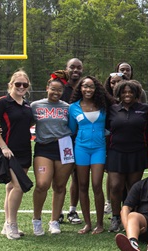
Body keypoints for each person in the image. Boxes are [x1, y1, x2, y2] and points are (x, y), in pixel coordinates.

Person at [0, 70, 35, 240]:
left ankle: (6, 223)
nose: (21, 87)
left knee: (11, 187)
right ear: (11, 84)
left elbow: (27, 123)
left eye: (25, 84)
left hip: (24, 150)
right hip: (8, 151)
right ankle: (12, 224)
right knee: (18, 186)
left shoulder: (27, 105)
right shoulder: (3, 102)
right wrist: (4, 147)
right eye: (18, 84)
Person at [107, 79, 148, 232]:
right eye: (124, 92)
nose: (127, 94)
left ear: (136, 94)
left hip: (137, 153)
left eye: (131, 92)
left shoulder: (145, 109)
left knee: (133, 188)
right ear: (119, 94)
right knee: (115, 186)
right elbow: (106, 131)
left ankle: (131, 218)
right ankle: (115, 217)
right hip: (116, 153)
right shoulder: (112, 110)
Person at [31, 74, 73, 235]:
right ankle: (37, 219)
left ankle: (54, 221)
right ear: (47, 88)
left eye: (59, 90)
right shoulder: (36, 106)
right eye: (53, 89)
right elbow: (23, 122)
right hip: (44, 147)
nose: (56, 92)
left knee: (60, 186)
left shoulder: (67, 108)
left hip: (64, 147)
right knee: (42, 184)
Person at [68, 75, 110, 234]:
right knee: (82, 185)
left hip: (99, 149)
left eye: (91, 86)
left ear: (96, 89)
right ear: (80, 88)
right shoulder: (73, 107)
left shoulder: (103, 105)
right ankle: (87, 224)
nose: (88, 89)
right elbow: (72, 129)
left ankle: (100, 224)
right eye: (85, 86)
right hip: (81, 149)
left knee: (97, 184)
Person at [61, 58, 84, 225]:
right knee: (60, 176)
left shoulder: (86, 88)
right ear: (66, 69)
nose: (75, 70)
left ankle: (72, 210)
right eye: (72, 67)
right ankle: (57, 212)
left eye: (79, 67)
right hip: (63, 138)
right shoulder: (60, 88)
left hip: (81, 139)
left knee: (77, 177)